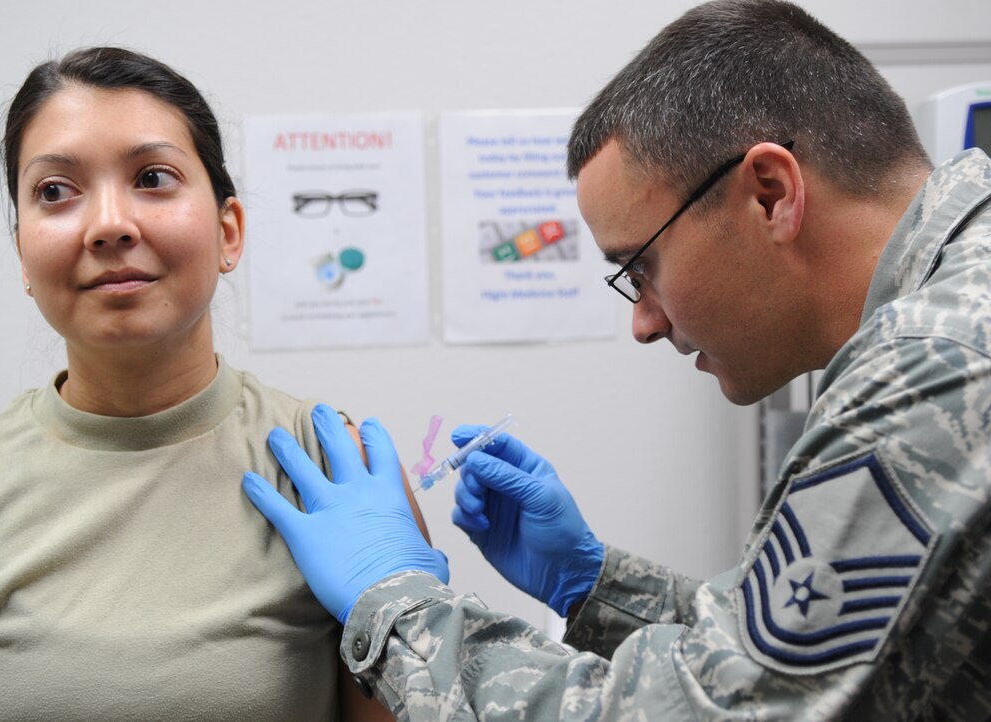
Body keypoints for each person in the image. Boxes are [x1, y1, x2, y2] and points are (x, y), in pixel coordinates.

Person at [241, 1, 991, 719]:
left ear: (769, 194)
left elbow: (722, 714)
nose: (643, 321)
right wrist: (592, 583)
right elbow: (790, 662)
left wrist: (396, 602)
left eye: (641, 267)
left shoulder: (934, 364)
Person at [0, 47, 420, 721]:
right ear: (23, 252)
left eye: (152, 177)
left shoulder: (336, 472)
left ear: (228, 231)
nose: (110, 224)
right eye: (55, 191)